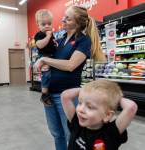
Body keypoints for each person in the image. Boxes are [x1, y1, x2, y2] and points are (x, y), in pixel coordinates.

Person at [36, 6, 106, 150]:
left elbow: (71, 65)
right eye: (64, 16)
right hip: (49, 94)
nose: (62, 19)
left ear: (78, 22)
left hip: (67, 96)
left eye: (68, 18)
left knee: (72, 134)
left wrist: (45, 60)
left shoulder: (84, 41)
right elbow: (52, 58)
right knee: (56, 133)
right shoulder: (61, 39)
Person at [61, 79, 138, 150]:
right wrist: (87, 90)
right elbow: (65, 96)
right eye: (80, 103)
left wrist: (113, 98)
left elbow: (131, 107)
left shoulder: (111, 133)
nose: (80, 109)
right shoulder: (77, 124)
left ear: (107, 115)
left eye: (90, 107)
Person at [34, 9, 56, 106]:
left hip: (53, 57)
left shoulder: (51, 34)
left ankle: (50, 90)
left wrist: (55, 42)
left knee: (52, 74)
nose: (47, 26)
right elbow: (40, 45)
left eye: (49, 23)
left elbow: (53, 44)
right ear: (38, 25)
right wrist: (47, 37)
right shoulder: (39, 34)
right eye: (43, 24)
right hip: (44, 57)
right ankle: (44, 94)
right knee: (46, 74)